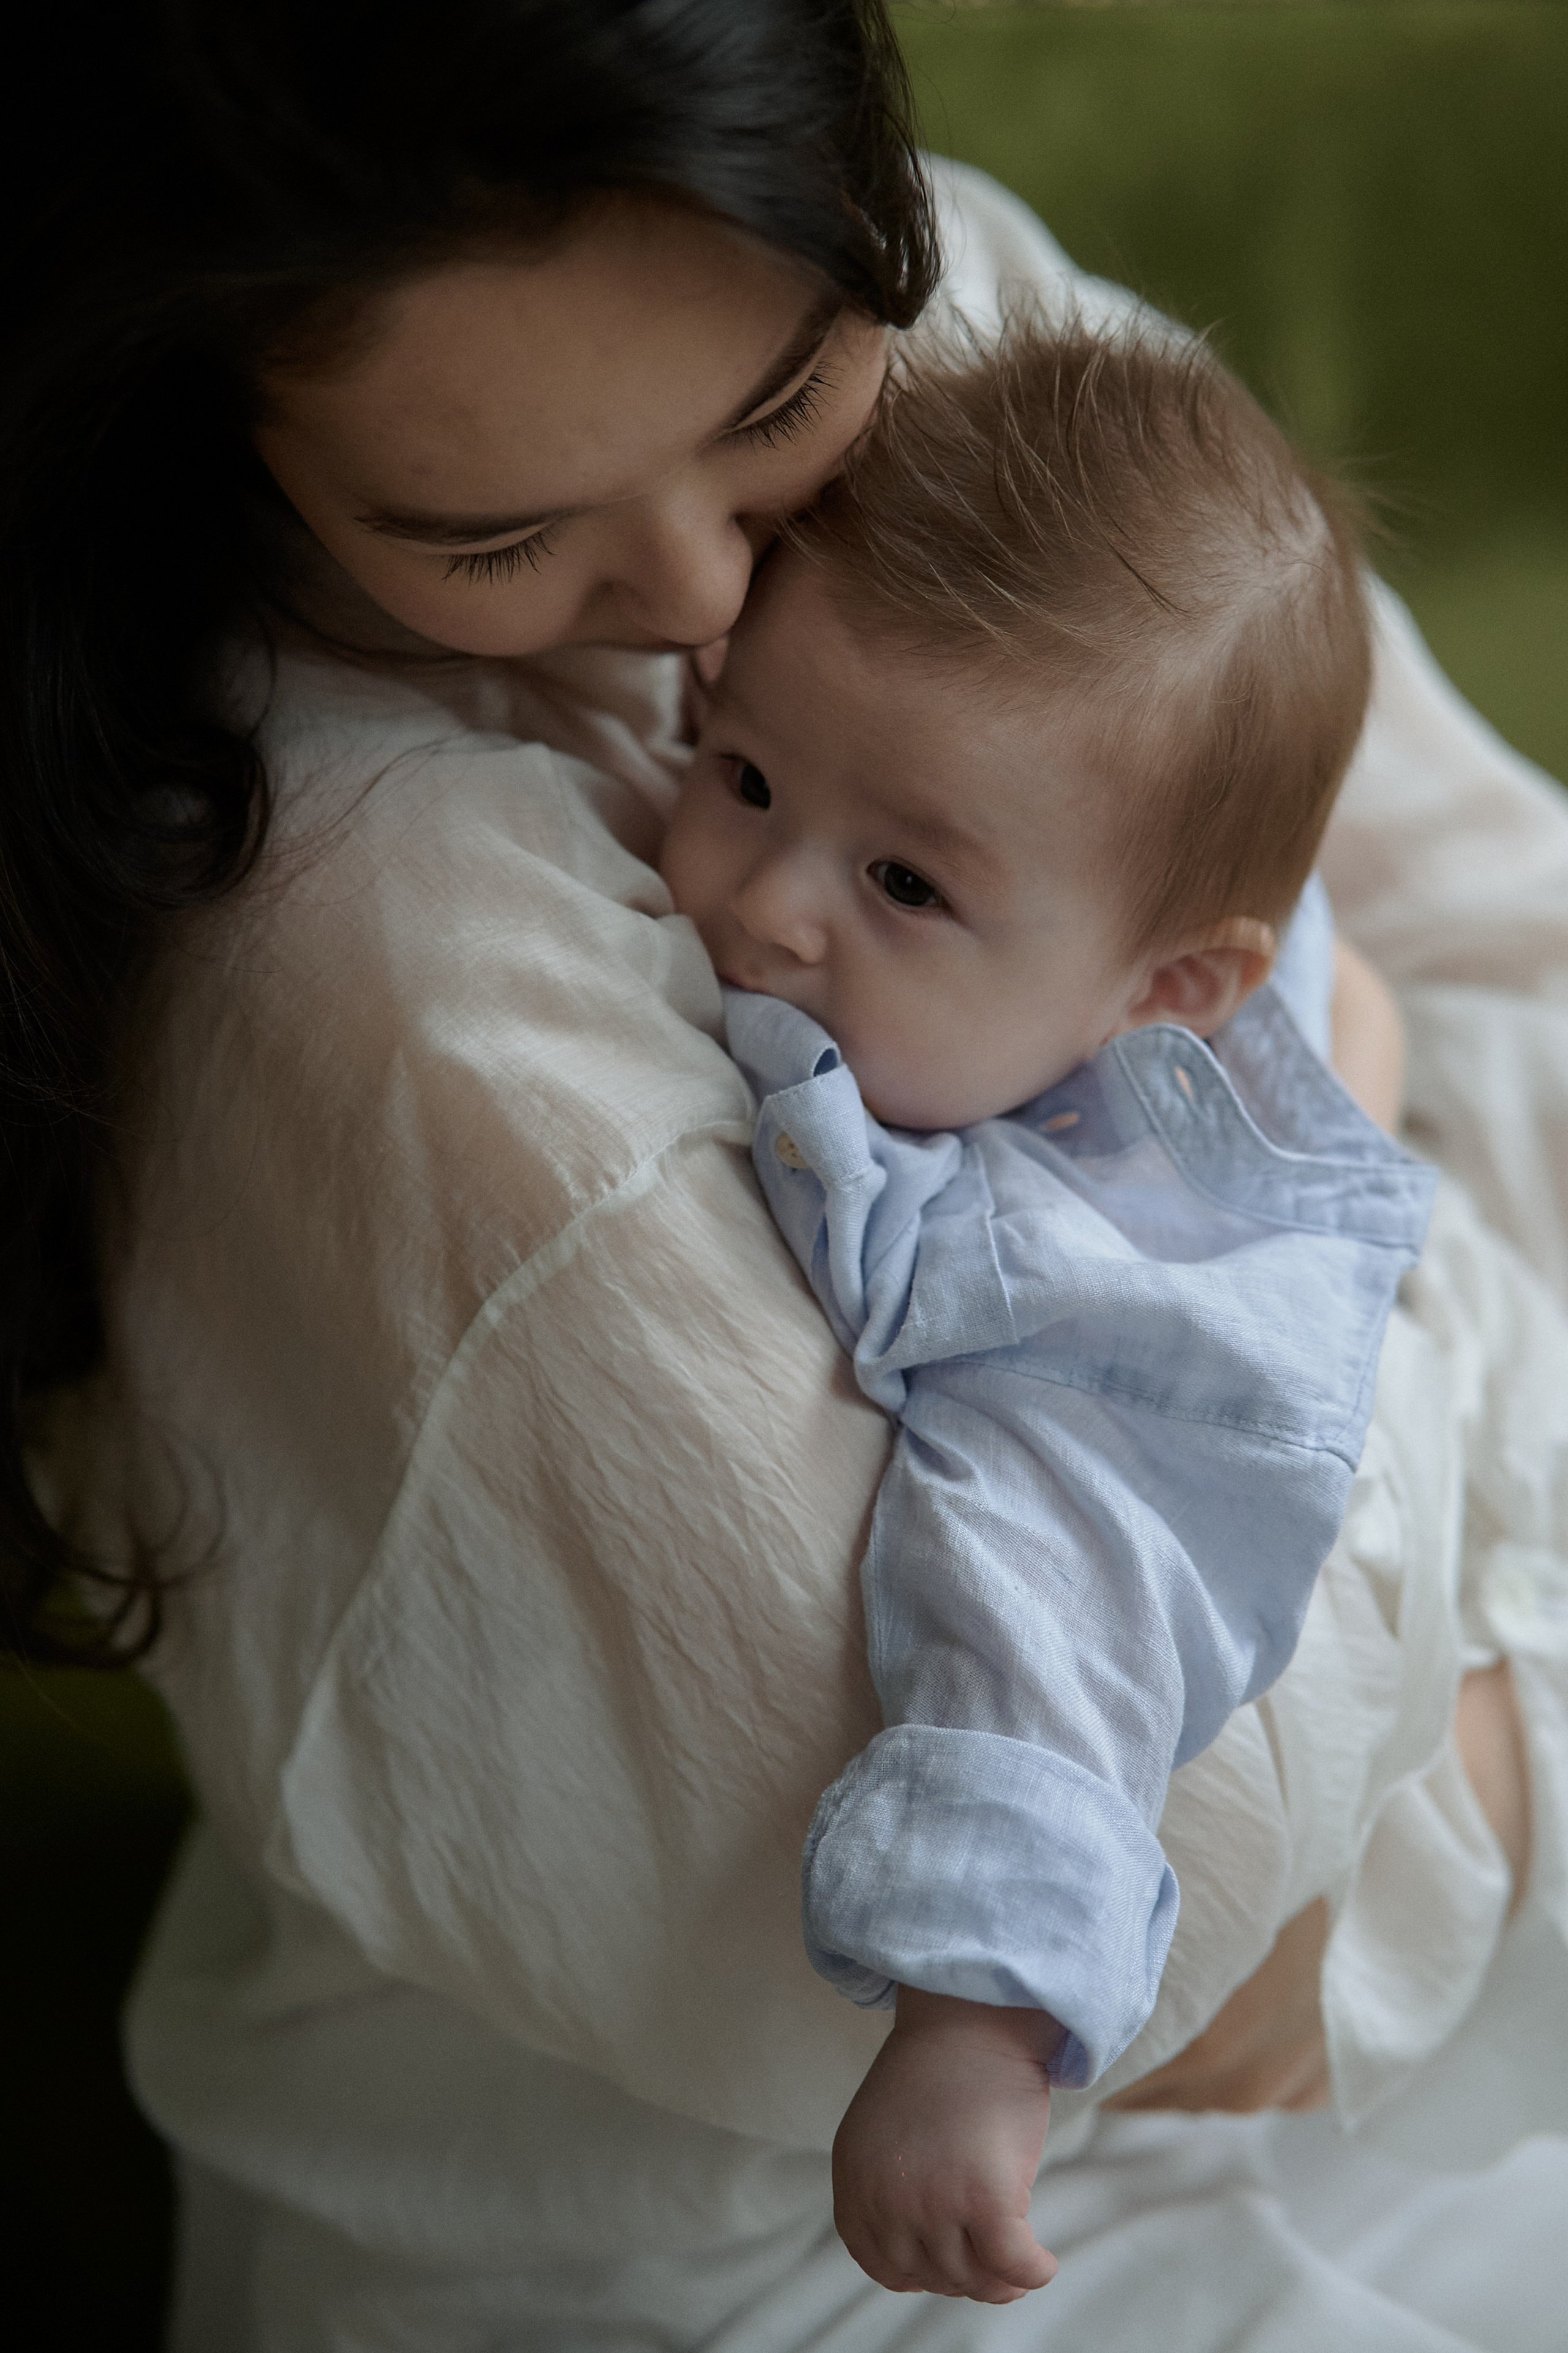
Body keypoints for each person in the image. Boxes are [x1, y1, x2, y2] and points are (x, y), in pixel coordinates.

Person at [2, 3, 1560, 2346]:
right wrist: (1338, 1107)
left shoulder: (915, 321)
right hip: (764, 2250)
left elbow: (1505, 900)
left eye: (776, 424)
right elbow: (1207, 1910)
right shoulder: (401, 988)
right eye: (500, 536)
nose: (727, 624)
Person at [662, 319, 1435, 2302]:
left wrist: (972, 2030)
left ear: (1174, 989)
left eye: (904, 883)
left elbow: (1055, 1610)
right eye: (738, 768)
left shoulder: (1088, 1290)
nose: (769, 904)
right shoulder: (1056, 848)